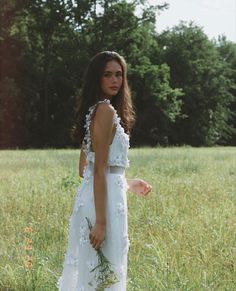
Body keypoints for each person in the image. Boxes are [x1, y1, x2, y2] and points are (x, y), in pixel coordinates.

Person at [57, 51, 152, 291]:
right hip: (103, 207)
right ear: (96, 78)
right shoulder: (105, 111)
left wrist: (126, 182)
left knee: (96, 274)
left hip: (100, 196)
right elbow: (97, 170)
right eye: (107, 74)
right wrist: (100, 222)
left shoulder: (95, 111)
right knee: (104, 273)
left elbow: (84, 169)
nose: (115, 80)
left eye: (119, 74)